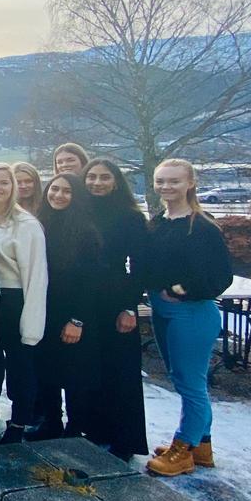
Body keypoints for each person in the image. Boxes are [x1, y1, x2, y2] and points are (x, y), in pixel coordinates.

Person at [143, 158, 231, 477]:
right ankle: (201, 447)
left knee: (191, 385)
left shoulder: (202, 226)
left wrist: (181, 290)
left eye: (174, 181)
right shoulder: (159, 222)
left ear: (190, 183)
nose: (166, 186)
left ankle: (183, 448)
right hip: (163, 312)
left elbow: (221, 276)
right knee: (182, 380)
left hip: (192, 314)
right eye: (161, 181)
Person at [0, 163, 47, 445]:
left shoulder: (26, 225)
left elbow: (37, 275)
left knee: (20, 365)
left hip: (14, 299)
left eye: (4, 182)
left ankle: (17, 424)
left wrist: (32, 321)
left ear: (13, 187)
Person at [81, 158, 149, 461]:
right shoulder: (80, 212)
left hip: (116, 297)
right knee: (92, 367)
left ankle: (125, 439)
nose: (97, 182)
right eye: (91, 177)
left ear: (116, 181)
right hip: (85, 299)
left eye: (104, 177)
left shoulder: (130, 217)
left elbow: (141, 266)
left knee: (121, 371)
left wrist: (130, 307)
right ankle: (97, 430)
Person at [30, 174, 103, 444]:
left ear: (77, 197)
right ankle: (51, 422)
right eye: (55, 189)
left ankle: (75, 428)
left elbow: (90, 281)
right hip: (44, 309)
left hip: (73, 312)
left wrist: (77, 320)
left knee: (73, 374)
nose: (58, 195)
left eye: (67, 191)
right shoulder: (40, 224)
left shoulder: (86, 231)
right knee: (46, 369)